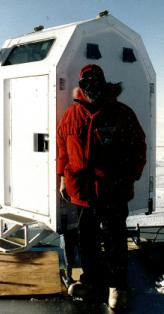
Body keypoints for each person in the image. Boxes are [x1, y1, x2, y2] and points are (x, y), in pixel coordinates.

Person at [56, 64, 146, 309]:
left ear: (104, 84)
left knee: (115, 238)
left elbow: (139, 148)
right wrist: (62, 177)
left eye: (95, 83)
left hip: (112, 190)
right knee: (87, 239)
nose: (90, 88)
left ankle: (118, 287)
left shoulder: (121, 113)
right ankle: (92, 282)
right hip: (82, 192)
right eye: (86, 84)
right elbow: (63, 149)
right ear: (81, 86)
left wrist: (129, 177)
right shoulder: (71, 115)